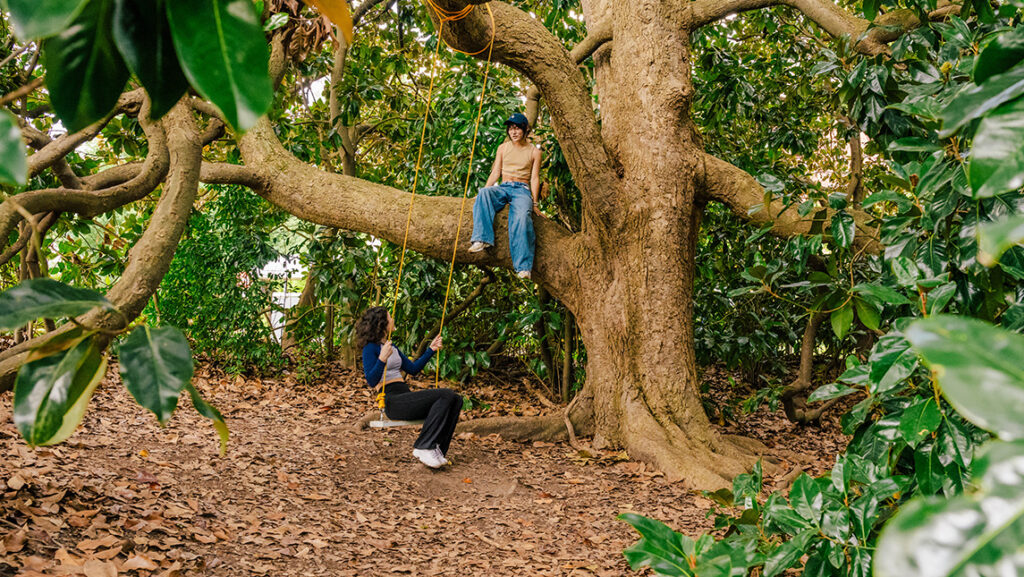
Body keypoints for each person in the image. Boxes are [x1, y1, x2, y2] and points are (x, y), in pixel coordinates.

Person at [357, 306, 462, 469]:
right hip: (392, 401)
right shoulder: (370, 348)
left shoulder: (393, 347)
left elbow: (412, 369)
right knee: (446, 394)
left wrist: (431, 350)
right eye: (390, 317)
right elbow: (371, 380)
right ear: (382, 323)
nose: (392, 319)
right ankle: (423, 446)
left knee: (456, 399)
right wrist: (382, 359)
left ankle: (437, 449)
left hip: (405, 397)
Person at [468, 112, 543, 279]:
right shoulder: (503, 148)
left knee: (522, 217)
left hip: (522, 189)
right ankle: (482, 239)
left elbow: (535, 178)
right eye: (510, 129)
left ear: (525, 130)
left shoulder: (534, 152)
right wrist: (484, 192)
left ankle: (523, 266)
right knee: (484, 193)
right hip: (504, 187)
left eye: (517, 129)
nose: (513, 132)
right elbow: (496, 172)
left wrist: (535, 204)